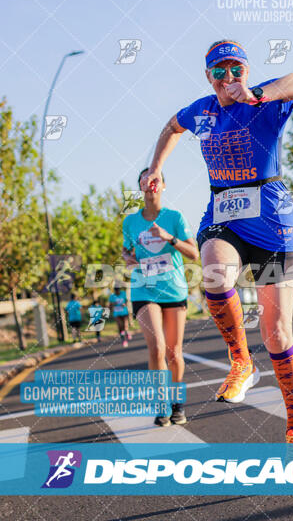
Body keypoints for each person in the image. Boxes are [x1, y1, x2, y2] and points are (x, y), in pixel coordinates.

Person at [140, 39, 293, 444]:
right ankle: (241, 363)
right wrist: (156, 168)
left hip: (272, 221)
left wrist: (259, 94)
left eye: (236, 69)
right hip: (224, 213)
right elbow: (172, 126)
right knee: (215, 275)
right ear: (208, 77)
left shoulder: (265, 99)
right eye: (219, 71)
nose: (228, 78)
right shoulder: (202, 110)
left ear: (247, 72)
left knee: (277, 333)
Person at [122, 168, 199, 427]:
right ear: (142, 187)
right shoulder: (130, 222)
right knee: (156, 347)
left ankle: (177, 403)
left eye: (156, 179)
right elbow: (126, 249)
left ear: (163, 186)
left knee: (174, 353)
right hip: (144, 287)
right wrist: (127, 257)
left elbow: (194, 254)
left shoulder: (174, 217)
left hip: (173, 289)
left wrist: (170, 238)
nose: (151, 183)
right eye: (146, 179)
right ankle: (161, 403)